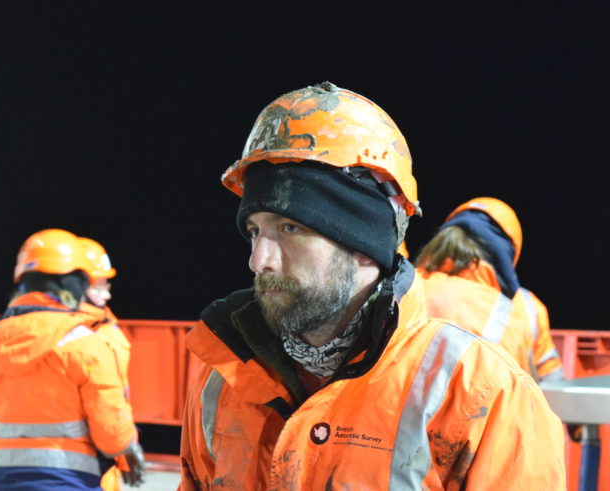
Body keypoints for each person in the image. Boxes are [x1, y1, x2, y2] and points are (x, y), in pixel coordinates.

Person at [180, 82, 565, 489]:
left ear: (365, 245)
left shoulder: (484, 395)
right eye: (255, 231)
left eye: (290, 228)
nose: (259, 260)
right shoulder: (221, 377)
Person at [0, 228, 142, 490]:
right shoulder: (87, 345)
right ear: (78, 284)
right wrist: (128, 449)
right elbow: (112, 436)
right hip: (70, 481)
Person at [415, 197, 564, 382]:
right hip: (497, 409)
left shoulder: (405, 284)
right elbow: (552, 381)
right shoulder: (527, 307)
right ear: (508, 251)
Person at [78, 236, 146, 489]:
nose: (106, 293)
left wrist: (127, 446)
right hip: (85, 462)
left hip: (104, 455)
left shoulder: (105, 325)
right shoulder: (82, 335)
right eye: (97, 286)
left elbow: (116, 399)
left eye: (106, 284)